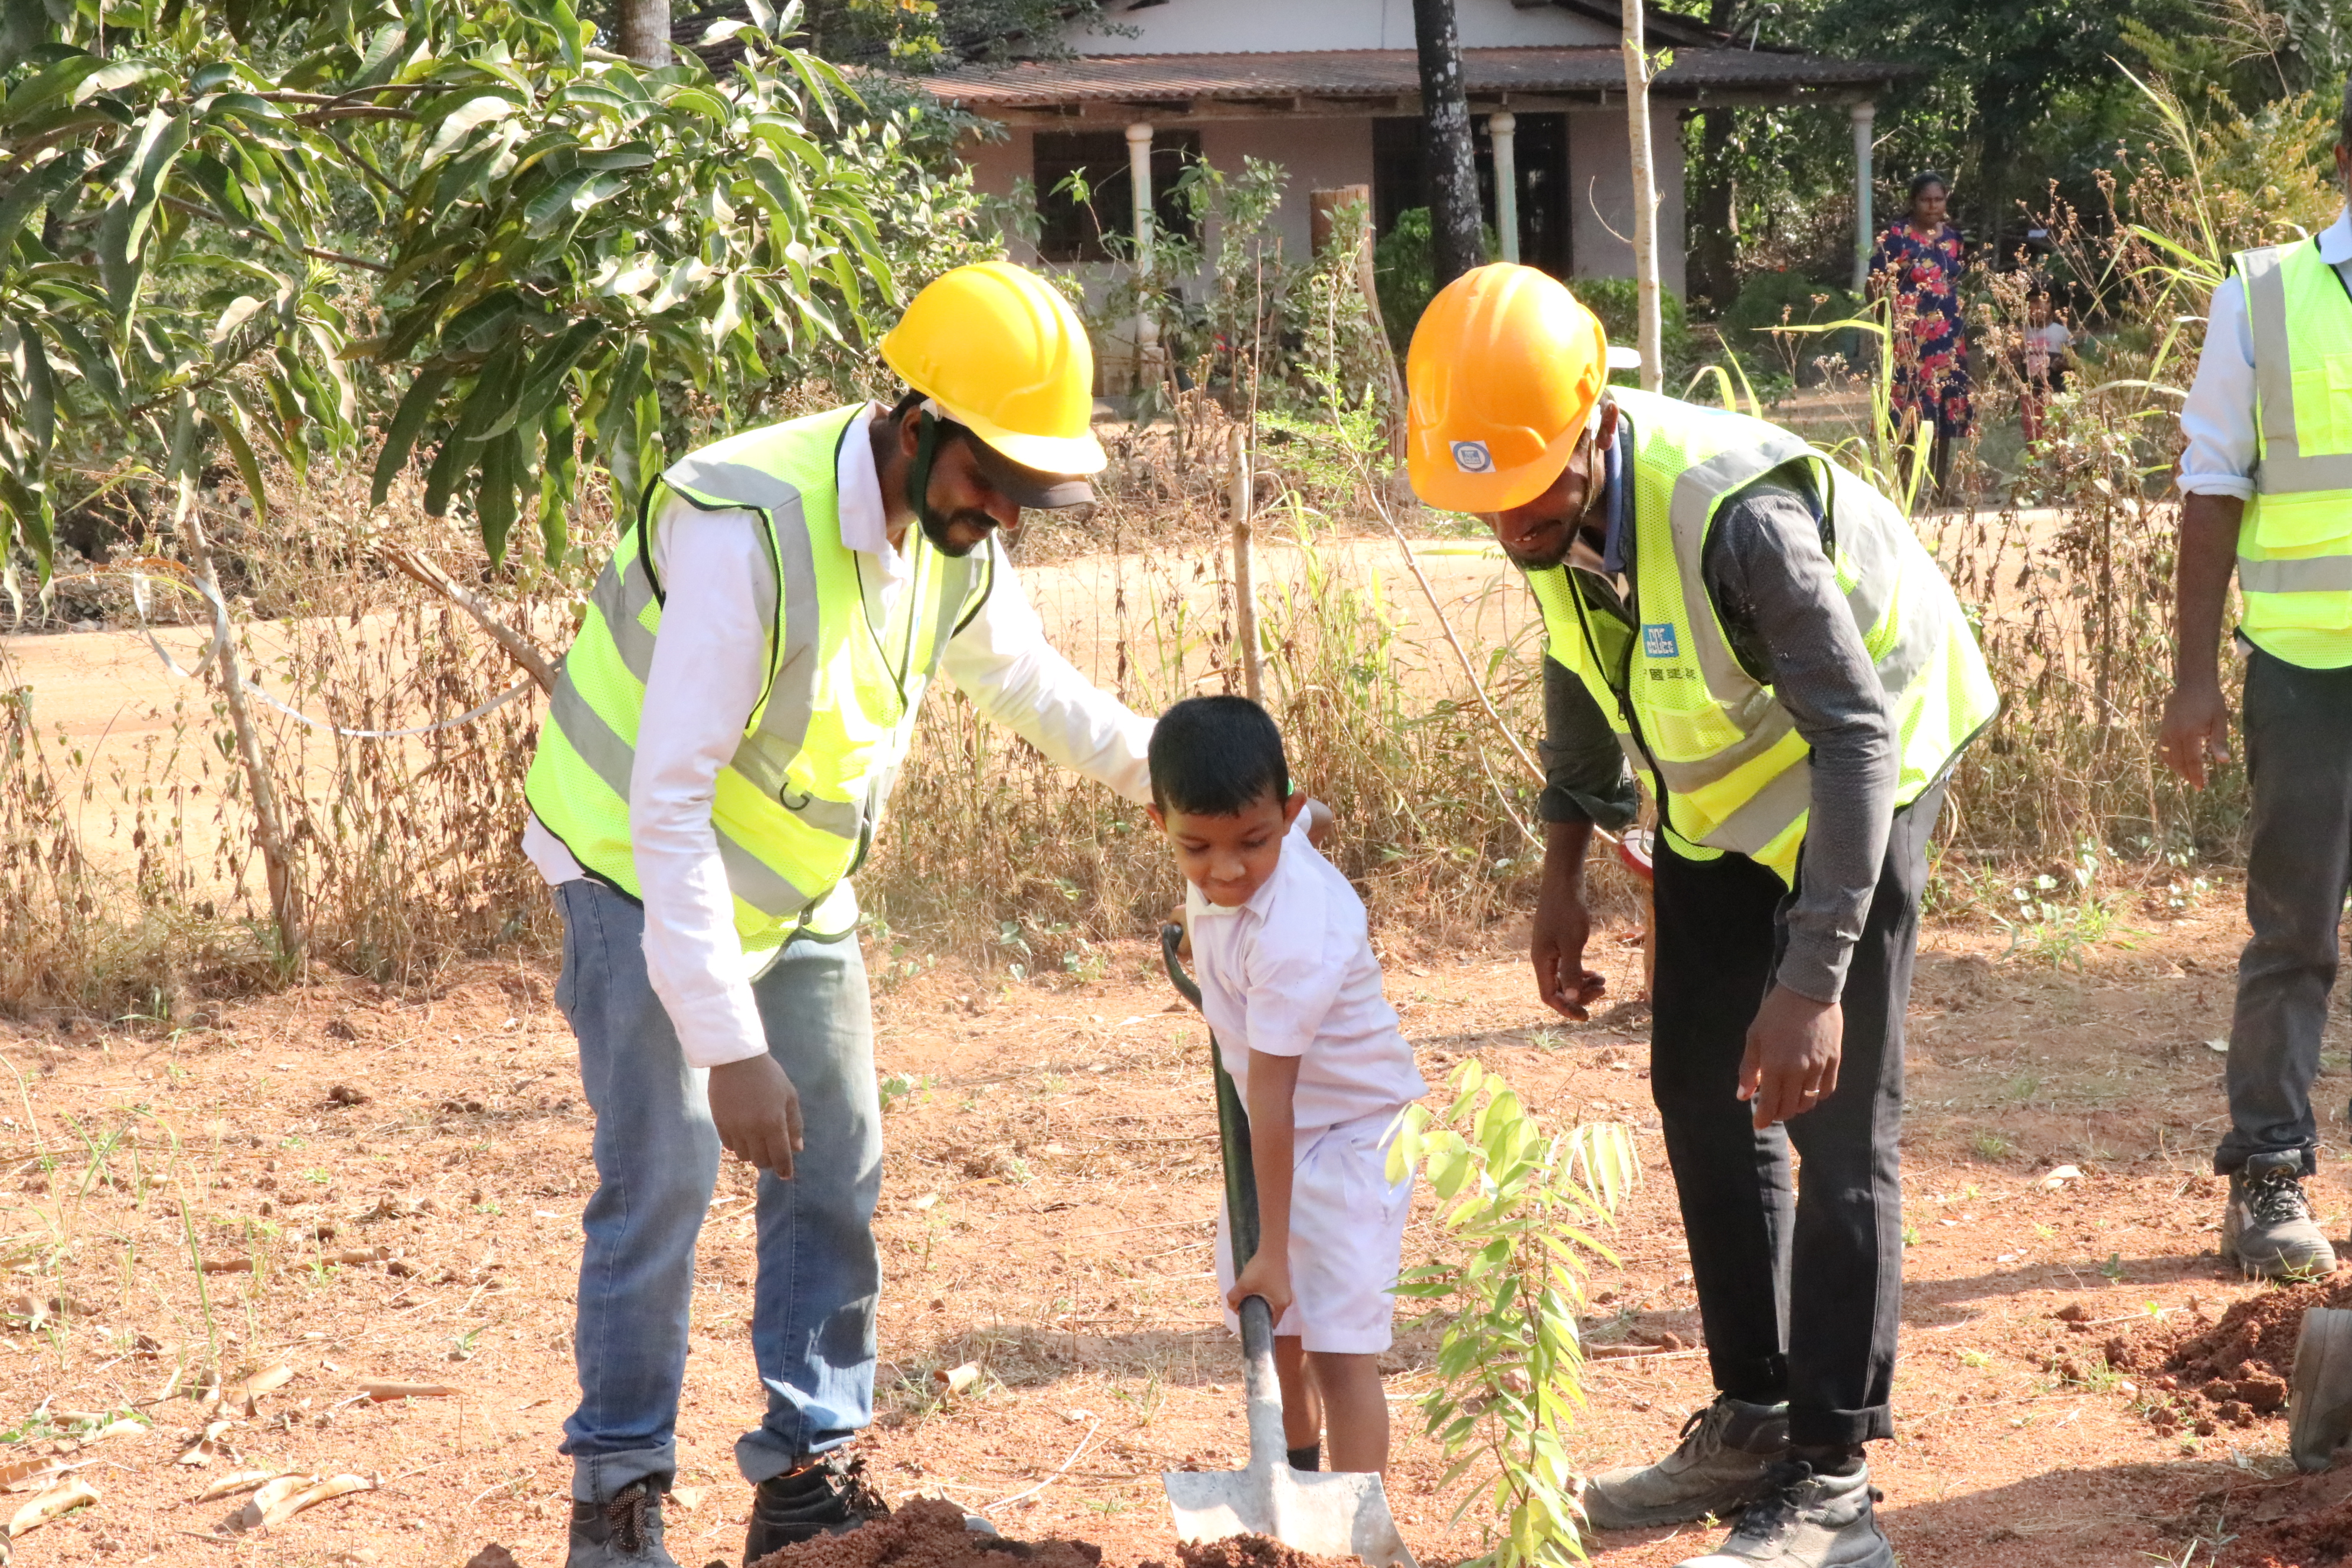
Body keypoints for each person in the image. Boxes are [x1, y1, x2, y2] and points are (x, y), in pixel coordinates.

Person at [522, 260, 1158, 1568]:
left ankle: (807, 1480)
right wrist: (727, 1044)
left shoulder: (947, 541)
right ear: (916, 425)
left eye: (1028, 491)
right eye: (995, 479)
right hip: (631, 868)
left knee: (837, 1163)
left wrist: (1181, 774)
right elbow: (670, 801)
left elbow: (1028, 681)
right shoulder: (745, 528)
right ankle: (618, 1500)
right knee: (665, 1178)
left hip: (793, 886)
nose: (1007, 512)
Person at [1406, 264, 1998, 1568]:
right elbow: (1575, 665)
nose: (1509, 523)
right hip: (1721, 794)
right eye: (1484, 502)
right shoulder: (1537, 504)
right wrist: (1562, 866)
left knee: (1836, 1123)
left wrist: (1812, 978)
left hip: (1869, 759)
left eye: (1531, 490)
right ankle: (1757, 1410)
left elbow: (1853, 737)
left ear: (1594, 422)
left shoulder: (1735, 517)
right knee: (1696, 1085)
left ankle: (1833, 1488)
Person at [2159, 80, 2352, 1282]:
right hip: (2305, 671)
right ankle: (2268, 1174)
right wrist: (2192, 681)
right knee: (2293, 930)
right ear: (2344, 156)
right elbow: (2210, 485)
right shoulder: (2265, 295)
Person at [1151, 695, 1427, 1477]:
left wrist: (1271, 1252)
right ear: (1159, 824)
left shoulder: (1294, 934)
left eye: (1254, 842)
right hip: (1279, 1134)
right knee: (1278, 1340)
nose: (1226, 870)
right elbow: (1313, 825)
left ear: (1285, 812)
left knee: (1338, 1354)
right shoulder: (1264, 845)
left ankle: (1354, 1523)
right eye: (1197, 848)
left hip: (1352, 1135)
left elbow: (1273, 1095)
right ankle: (1298, 1491)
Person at [1868, 171, 1974, 502]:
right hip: (1910, 343)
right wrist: (1888, 327)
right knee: (1910, 411)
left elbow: (1954, 283)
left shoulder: (1953, 239)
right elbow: (1875, 284)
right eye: (1926, 200)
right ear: (1914, 201)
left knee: (1943, 413)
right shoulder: (1897, 237)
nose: (1933, 206)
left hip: (1948, 340)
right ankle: (1904, 488)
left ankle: (1940, 488)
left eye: (1938, 200)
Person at [2018, 288, 2075, 446]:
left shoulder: (2061, 332)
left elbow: (2074, 360)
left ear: (2052, 305)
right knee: (2033, 431)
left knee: (2056, 429)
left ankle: (2060, 458)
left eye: (2046, 302)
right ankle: (2036, 460)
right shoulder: (2022, 333)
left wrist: (2063, 363)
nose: (2040, 307)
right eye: (2035, 302)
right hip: (2030, 391)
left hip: (2056, 390)